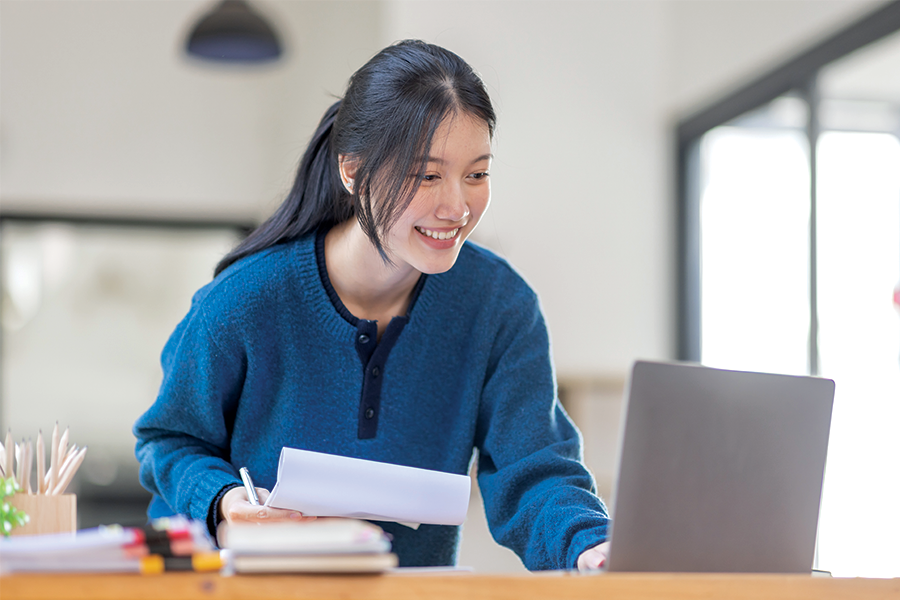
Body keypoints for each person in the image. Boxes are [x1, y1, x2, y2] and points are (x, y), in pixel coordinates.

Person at [133, 39, 610, 571]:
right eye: (427, 175)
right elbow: (167, 440)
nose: (457, 206)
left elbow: (536, 469)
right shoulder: (246, 300)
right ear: (353, 171)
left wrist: (590, 546)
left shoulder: (500, 307)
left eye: (476, 174)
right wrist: (221, 503)